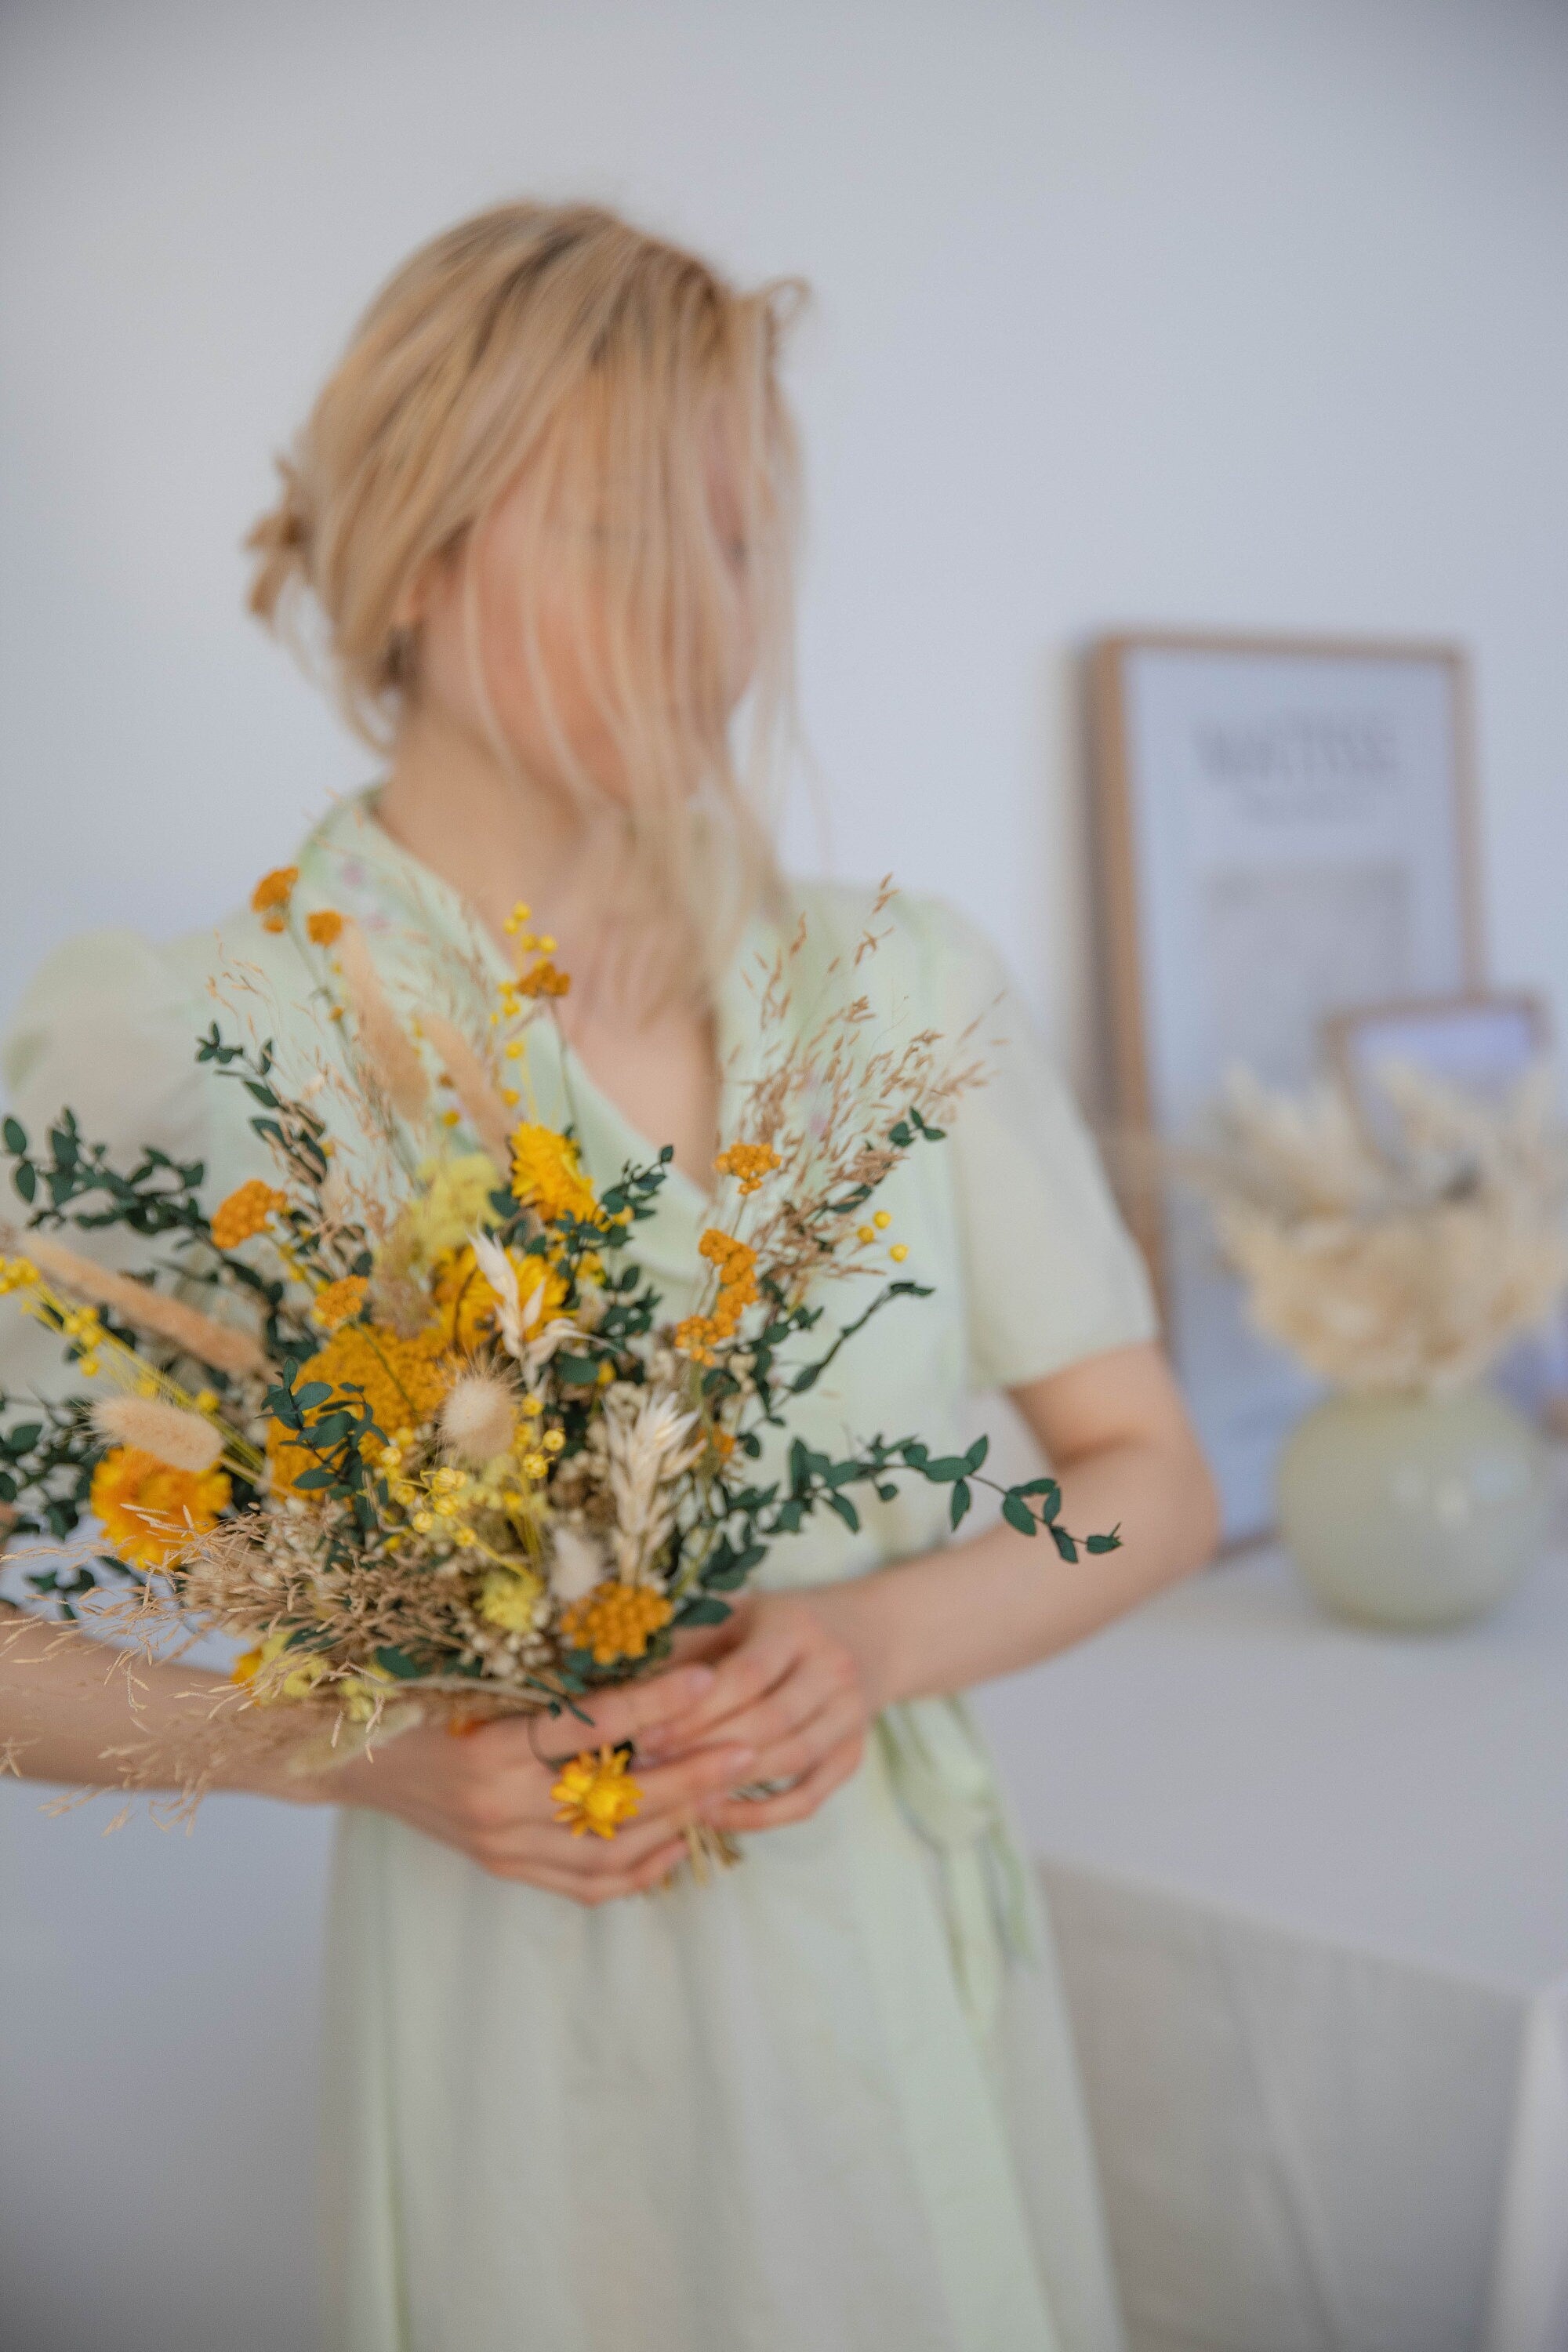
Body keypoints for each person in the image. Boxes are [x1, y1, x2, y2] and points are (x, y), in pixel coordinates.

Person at [0, 201, 1218, 2351]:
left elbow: (1147, 1472)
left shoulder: (898, 989)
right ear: (417, 551)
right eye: (623, 540)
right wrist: (355, 1750)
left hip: (907, 1956)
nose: (707, 625)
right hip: (528, 2040)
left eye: (739, 546)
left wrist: (868, 1638)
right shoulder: (206, 1043)